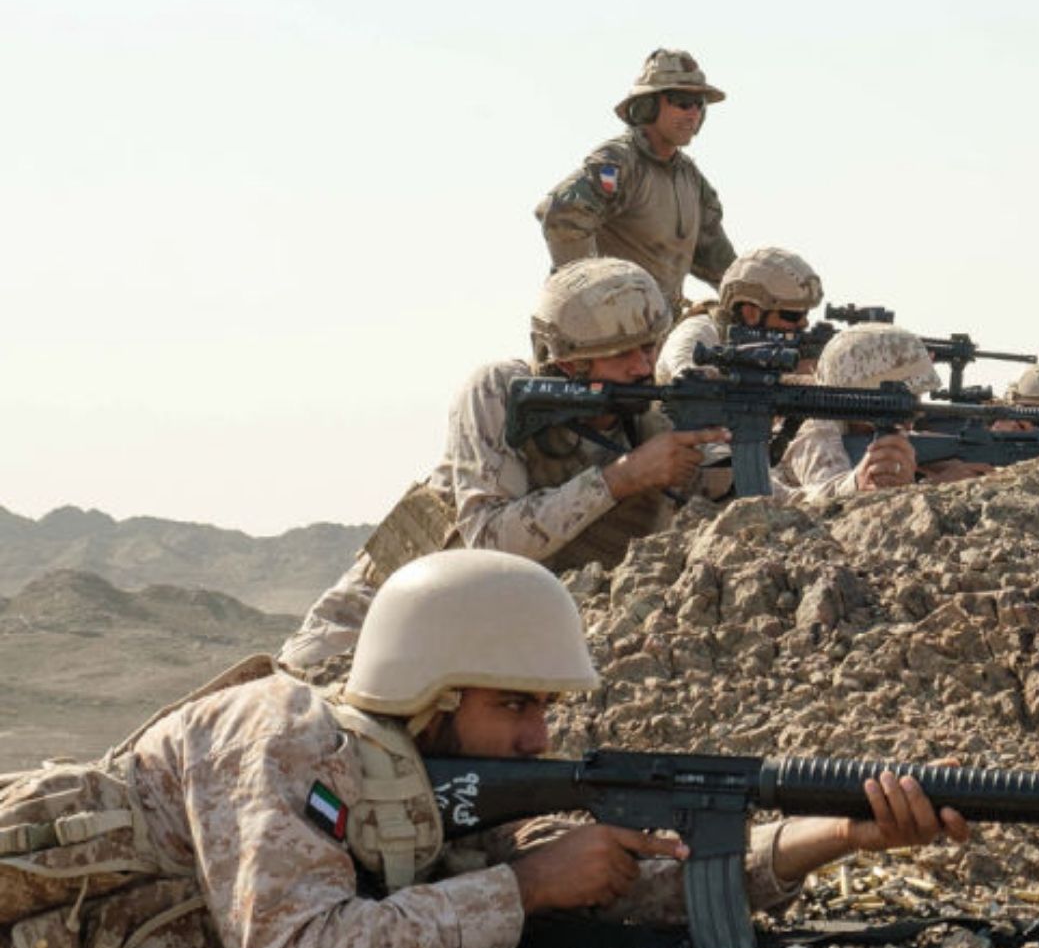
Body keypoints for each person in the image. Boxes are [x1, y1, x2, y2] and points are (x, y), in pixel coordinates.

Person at [18, 551, 967, 948]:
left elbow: (629, 886)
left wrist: (839, 835)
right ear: (430, 695)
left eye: (545, 708)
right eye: (515, 704)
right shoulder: (282, 734)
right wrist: (525, 890)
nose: (537, 738)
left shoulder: (437, 786)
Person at [278, 259, 724, 676]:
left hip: (485, 635)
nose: (643, 366)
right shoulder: (499, 391)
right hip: (380, 614)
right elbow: (489, 539)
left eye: (649, 347)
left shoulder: (649, 417)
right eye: (623, 353)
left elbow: (730, 499)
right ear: (570, 360)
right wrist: (622, 478)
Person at [535, 49, 736, 311]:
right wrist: (593, 299)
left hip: (658, 334)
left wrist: (755, 301)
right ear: (648, 107)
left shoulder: (691, 179)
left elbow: (717, 258)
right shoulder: (622, 162)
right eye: (682, 102)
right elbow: (561, 214)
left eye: (700, 104)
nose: (693, 113)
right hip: (612, 340)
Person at [780, 325, 992, 497]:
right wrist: (936, 488)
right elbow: (832, 507)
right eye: (904, 401)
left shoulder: (865, 432)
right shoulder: (817, 433)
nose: (913, 416)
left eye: (916, 399)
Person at [655, 247, 825, 385]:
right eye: (792, 315)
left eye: (806, 313)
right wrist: (788, 381)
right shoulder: (700, 331)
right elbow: (686, 378)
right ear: (750, 313)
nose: (804, 322)